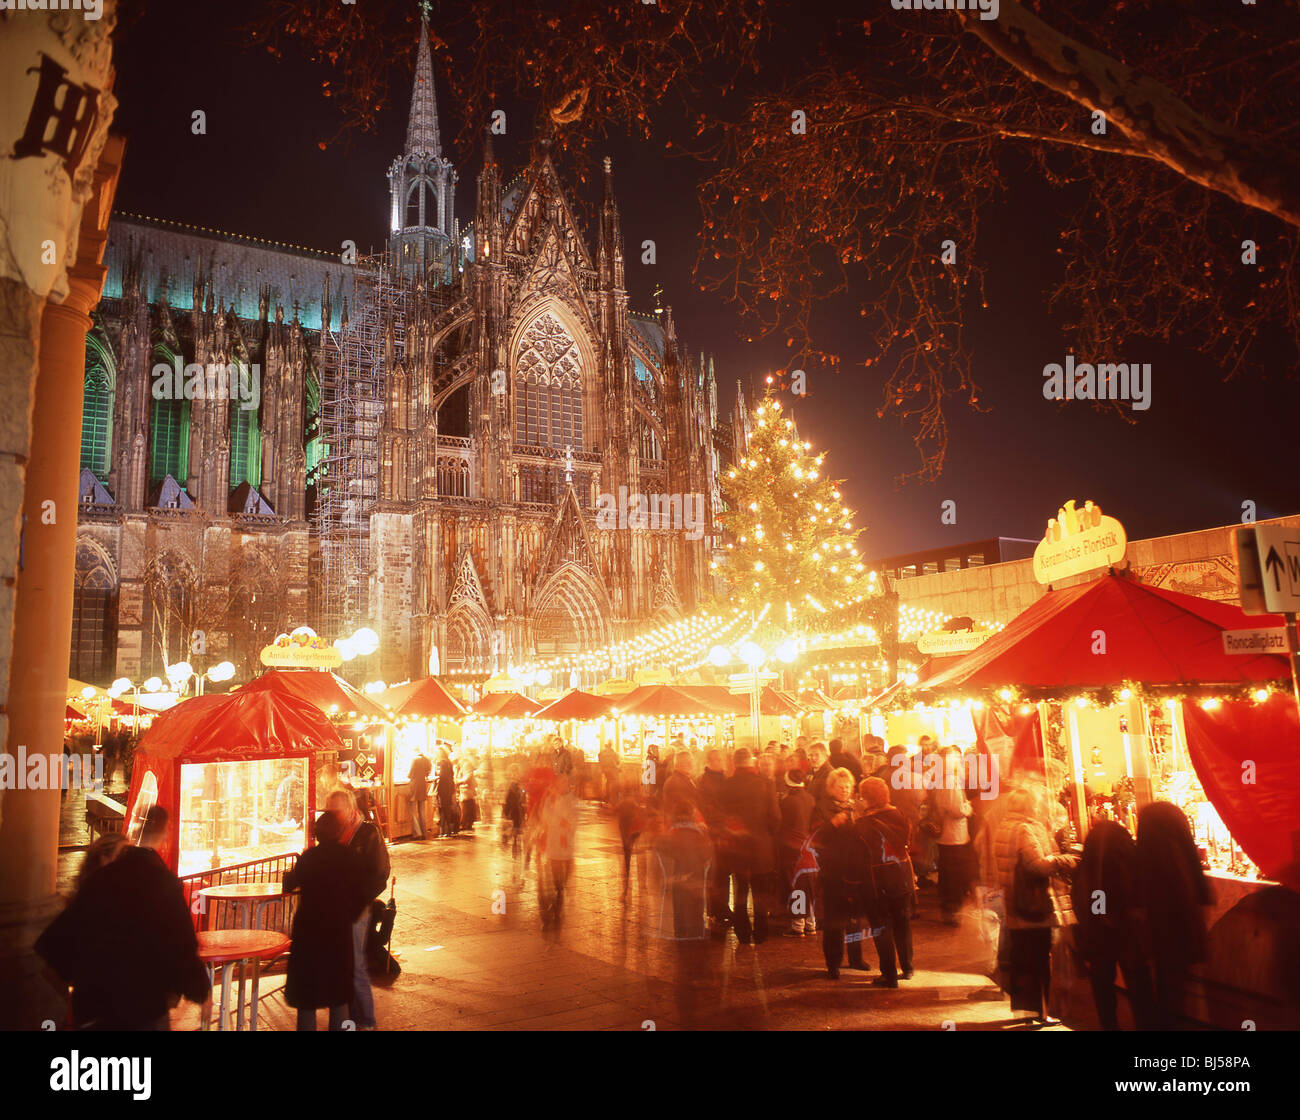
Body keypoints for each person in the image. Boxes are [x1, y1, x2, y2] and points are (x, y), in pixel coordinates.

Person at [36, 807, 210, 1030]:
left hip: (94, 1011)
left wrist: (81, 980)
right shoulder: (159, 883)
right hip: (141, 1010)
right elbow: (180, 945)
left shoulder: (96, 884)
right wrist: (198, 989)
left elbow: (54, 945)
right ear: (165, 832)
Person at [994, 786, 1077, 1025]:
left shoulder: (1006, 826)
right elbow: (1037, 865)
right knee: (1039, 960)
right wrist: (1063, 860)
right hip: (1033, 906)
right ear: (1029, 806)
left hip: (1015, 902)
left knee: (1022, 960)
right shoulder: (1025, 829)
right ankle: (1041, 1011)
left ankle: (1026, 1012)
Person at [283, 810, 371, 1030]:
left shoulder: (309, 858)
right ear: (339, 832)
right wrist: (347, 916)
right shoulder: (350, 858)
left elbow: (289, 884)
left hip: (309, 933)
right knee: (338, 994)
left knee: (307, 997)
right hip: (337, 933)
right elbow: (362, 894)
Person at [1135, 801, 1214, 1030]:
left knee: (1164, 980)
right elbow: (1198, 888)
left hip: (1159, 930)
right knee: (1176, 983)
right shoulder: (1182, 858)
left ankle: (1164, 1023)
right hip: (1181, 926)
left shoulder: (1145, 860)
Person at [1071, 820, 1153, 1030]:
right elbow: (1131, 892)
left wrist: (1098, 918)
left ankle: (1109, 1025)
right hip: (1126, 932)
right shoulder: (1125, 859)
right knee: (1138, 984)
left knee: (1102, 985)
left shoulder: (1085, 868)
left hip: (1098, 935)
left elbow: (1082, 901)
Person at [327, 789, 390, 1031]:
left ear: (350, 809)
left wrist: (360, 899)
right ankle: (349, 1019)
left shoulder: (367, 833)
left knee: (355, 966)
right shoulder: (334, 834)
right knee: (344, 966)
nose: (333, 817)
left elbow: (381, 873)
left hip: (356, 908)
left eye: (336, 811)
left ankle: (366, 1021)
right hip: (336, 909)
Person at [856, 778, 917, 986]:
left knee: (882, 927)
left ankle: (889, 974)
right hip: (903, 878)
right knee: (903, 924)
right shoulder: (899, 814)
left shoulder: (864, 824)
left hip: (879, 882)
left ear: (868, 798)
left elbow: (860, 855)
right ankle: (908, 968)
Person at [811, 768, 869, 978]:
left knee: (854, 918)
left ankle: (856, 958)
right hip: (834, 871)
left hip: (855, 871)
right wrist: (832, 824)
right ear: (831, 788)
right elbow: (815, 837)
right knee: (834, 921)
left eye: (848, 787)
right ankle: (833, 963)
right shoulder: (822, 809)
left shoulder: (858, 807)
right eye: (840, 787)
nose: (845, 791)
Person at [720, 748, 780, 944]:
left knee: (740, 891)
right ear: (752, 763)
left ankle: (742, 931)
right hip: (760, 847)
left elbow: (722, 817)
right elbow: (775, 817)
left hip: (737, 847)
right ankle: (761, 932)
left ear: (735, 764)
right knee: (760, 892)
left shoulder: (726, 786)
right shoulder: (765, 785)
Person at [932, 748, 975, 925]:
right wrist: (969, 807)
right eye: (954, 758)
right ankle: (952, 911)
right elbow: (957, 810)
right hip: (953, 835)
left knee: (949, 874)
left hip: (949, 835)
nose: (958, 761)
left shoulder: (945, 780)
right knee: (953, 875)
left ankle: (950, 909)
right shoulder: (949, 781)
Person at [778, 769, 817, 936]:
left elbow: (781, 824)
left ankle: (797, 925)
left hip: (791, 848)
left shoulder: (788, 802)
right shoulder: (810, 798)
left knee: (795, 885)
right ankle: (811, 922)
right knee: (808, 885)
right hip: (808, 847)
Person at [698, 749, 731, 935]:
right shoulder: (705, 781)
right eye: (717, 759)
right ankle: (716, 911)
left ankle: (722, 907)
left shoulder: (723, 778)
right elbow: (708, 808)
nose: (721, 762)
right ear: (710, 761)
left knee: (723, 873)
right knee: (716, 874)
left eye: (721, 759)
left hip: (724, 831)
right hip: (714, 832)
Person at [539, 774, 578, 928]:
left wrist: (566, 823)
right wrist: (558, 821)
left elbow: (575, 818)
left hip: (567, 845)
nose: (563, 785)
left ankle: (558, 900)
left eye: (565, 782)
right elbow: (545, 816)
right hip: (554, 844)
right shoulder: (551, 799)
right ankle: (557, 905)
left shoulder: (573, 800)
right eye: (560, 783)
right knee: (556, 880)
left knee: (564, 879)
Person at [662, 750, 700, 820]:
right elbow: (684, 807)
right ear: (677, 765)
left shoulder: (689, 779)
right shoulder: (675, 783)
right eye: (687, 762)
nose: (691, 765)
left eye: (691, 761)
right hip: (682, 824)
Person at [502, 765, 527, 860]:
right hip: (513, 810)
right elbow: (507, 799)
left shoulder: (520, 785)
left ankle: (517, 841)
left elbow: (523, 796)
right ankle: (515, 841)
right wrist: (506, 812)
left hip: (519, 810)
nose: (515, 774)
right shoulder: (510, 786)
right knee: (514, 827)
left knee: (518, 827)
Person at [407, 750, 432, 841]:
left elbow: (410, 774)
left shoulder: (415, 760)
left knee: (413, 811)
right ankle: (424, 833)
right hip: (422, 786)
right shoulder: (426, 760)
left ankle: (417, 834)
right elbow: (428, 772)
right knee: (422, 811)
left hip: (415, 786)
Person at [436, 748, 458, 836]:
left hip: (444, 789)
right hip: (449, 788)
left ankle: (444, 831)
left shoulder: (443, 763)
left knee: (443, 809)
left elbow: (442, 777)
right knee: (447, 809)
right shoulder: (449, 763)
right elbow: (451, 775)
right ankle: (447, 830)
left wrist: (438, 789)